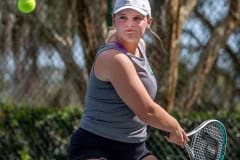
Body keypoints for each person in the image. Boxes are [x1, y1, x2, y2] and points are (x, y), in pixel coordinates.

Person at [68, 0, 188, 159]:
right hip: (94, 146)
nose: (129, 24)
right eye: (123, 17)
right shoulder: (114, 58)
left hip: (134, 149)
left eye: (137, 18)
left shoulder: (141, 47)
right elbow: (147, 111)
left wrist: (173, 128)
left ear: (148, 22)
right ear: (114, 20)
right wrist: (174, 127)